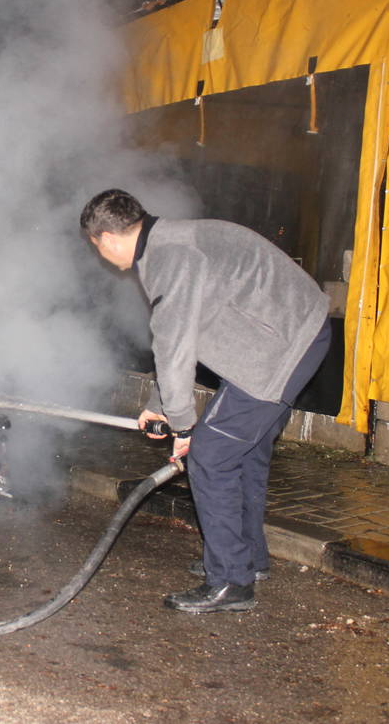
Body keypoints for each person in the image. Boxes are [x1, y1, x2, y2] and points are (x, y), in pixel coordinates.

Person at [80, 189, 330, 614]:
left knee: (211, 457)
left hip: (280, 347)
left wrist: (182, 425)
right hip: (293, 335)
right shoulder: (172, 242)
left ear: (106, 238)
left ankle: (230, 582)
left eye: (96, 247)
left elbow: (175, 348)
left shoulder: (168, 258)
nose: (100, 255)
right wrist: (160, 404)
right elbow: (183, 334)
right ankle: (247, 559)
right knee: (243, 453)